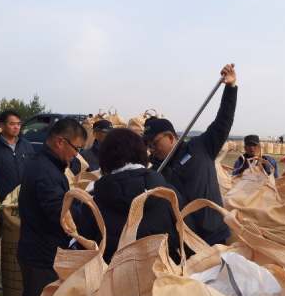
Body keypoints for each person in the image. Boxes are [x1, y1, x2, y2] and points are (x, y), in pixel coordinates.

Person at [144, 63, 237, 246]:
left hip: (215, 234)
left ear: (171, 137)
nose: (152, 148)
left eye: (154, 143)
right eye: (148, 145)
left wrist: (230, 89)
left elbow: (223, 121)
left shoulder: (200, 147)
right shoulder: (154, 171)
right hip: (185, 242)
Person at [14, 118, 87, 296]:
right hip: (42, 257)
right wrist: (87, 210)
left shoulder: (44, 165)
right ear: (59, 142)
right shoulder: (46, 173)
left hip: (36, 250)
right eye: (76, 148)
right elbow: (61, 215)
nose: (76, 154)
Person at [77, 128, 182, 263]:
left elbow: (85, 253)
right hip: (164, 279)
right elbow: (186, 240)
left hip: (113, 280)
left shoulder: (92, 204)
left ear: (104, 159)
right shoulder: (170, 194)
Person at [0, 109, 34, 203]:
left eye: (18, 124)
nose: (16, 127)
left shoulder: (26, 145)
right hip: (2, 200)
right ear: (2, 125)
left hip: (25, 197)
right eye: (12, 124)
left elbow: (34, 168)